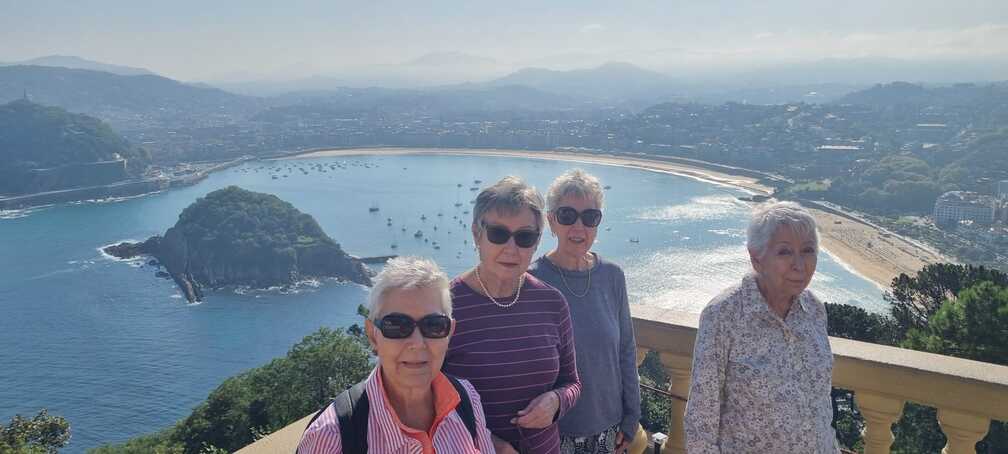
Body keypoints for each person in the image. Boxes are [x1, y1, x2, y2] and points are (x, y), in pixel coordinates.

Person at [683, 201, 840, 453]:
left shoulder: (814, 310)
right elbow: (701, 421)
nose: (799, 265)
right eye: (785, 252)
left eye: (808, 250)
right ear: (756, 258)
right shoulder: (725, 315)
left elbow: (822, 406)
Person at [297, 256, 496, 453]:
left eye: (434, 326)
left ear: (449, 333)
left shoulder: (466, 399)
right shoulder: (332, 437)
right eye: (397, 325)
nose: (417, 344)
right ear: (373, 335)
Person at [443, 176, 582, 454]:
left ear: (536, 241)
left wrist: (556, 401)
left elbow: (572, 382)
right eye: (498, 234)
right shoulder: (445, 306)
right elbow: (420, 395)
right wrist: (487, 441)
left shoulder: (552, 303)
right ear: (476, 234)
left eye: (524, 237)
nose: (511, 248)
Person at [528, 169, 640, 454]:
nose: (579, 227)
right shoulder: (532, 282)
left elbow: (626, 351)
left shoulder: (612, 277)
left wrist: (631, 417)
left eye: (590, 217)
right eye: (567, 215)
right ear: (551, 221)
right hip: (555, 431)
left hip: (610, 429)